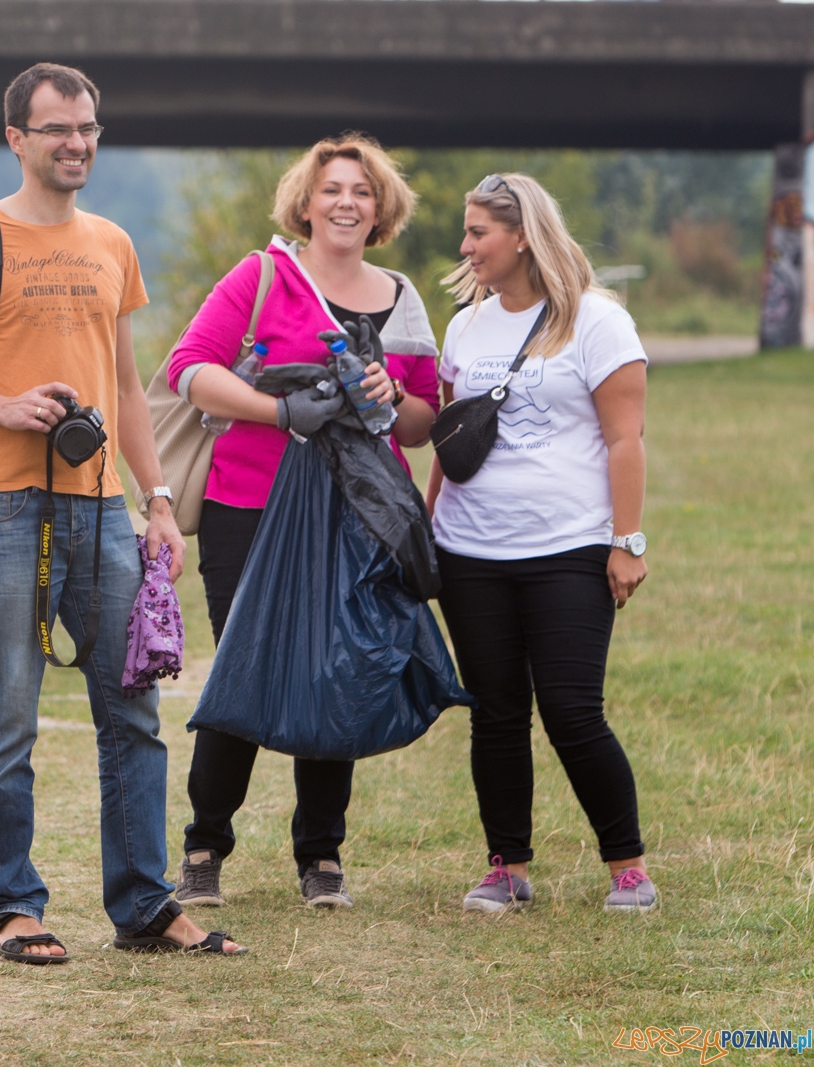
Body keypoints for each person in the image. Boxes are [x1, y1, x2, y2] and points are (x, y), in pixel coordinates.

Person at [0, 62, 242, 959]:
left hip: (101, 508)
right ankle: (14, 906)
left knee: (133, 712)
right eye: (56, 130)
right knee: (9, 714)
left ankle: (146, 905)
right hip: (0, 505)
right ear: (17, 139)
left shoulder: (112, 241)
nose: (76, 143)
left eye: (87, 128)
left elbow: (124, 383)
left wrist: (156, 499)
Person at [164, 134, 439, 910]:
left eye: (362, 190)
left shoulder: (401, 297)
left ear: (380, 207)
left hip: (355, 517)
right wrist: (280, 410)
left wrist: (391, 397)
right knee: (245, 667)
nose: (348, 202)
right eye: (333, 190)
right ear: (307, 203)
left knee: (337, 671)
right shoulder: (262, 277)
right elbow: (191, 368)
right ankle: (204, 845)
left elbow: (422, 422)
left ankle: (321, 854)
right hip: (246, 509)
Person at [426, 173, 656, 914]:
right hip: (471, 552)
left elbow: (627, 439)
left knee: (571, 709)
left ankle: (627, 867)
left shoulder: (597, 322)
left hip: (569, 549)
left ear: (521, 233)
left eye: (478, 233)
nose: (466, 247)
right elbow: (449, 441)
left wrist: (628, 541)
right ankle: (507, 866)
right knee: (495, 711)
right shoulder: (465, 326)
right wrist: (427, 530)